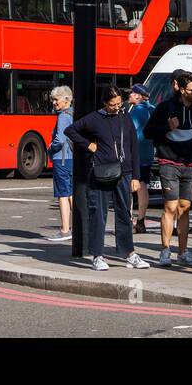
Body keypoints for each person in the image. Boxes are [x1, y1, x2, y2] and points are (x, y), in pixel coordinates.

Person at [68, 87, 150, 271]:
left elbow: (134, 148)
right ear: (105, 103)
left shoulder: (125, 117)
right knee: (98, 213)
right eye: (112, 105)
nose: (117, 107)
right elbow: (71, 130)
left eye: (119, 103)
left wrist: (136, 176)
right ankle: (98, 255)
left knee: (124, 214)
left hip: (124, 172)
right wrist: (88, 145)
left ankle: (129, 253)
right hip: (101, 172)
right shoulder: (95, 118)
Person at [144, 71, 192, 267]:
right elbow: (148, 132)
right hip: (169, 162)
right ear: (181, 89)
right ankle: (165, 250)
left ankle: (183, 252)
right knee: (170, 207)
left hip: (190, 163)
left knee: (185, 208)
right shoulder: (165, 108)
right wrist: (166, 128)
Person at [46, 86, 75, 242]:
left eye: (56, 99)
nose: (54, 102)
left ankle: (65, 230)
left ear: (66, 100)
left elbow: (60, 139)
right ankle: (77, 227)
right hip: (72, 158)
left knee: (62, 194)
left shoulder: (63, 116)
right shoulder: (73, 114)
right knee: (71, 193)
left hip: (62, 159)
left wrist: (50, 149)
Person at [126, 84, 156, 233]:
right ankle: (141, 220)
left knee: (130, 187)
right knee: (143, 185)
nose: (129, 95)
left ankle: (129, 220)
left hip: (134, 153)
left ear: (138, 96)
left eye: (132, 93)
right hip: (148, 152)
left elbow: (128, 133)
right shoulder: (152, 108)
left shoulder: (136, 112)